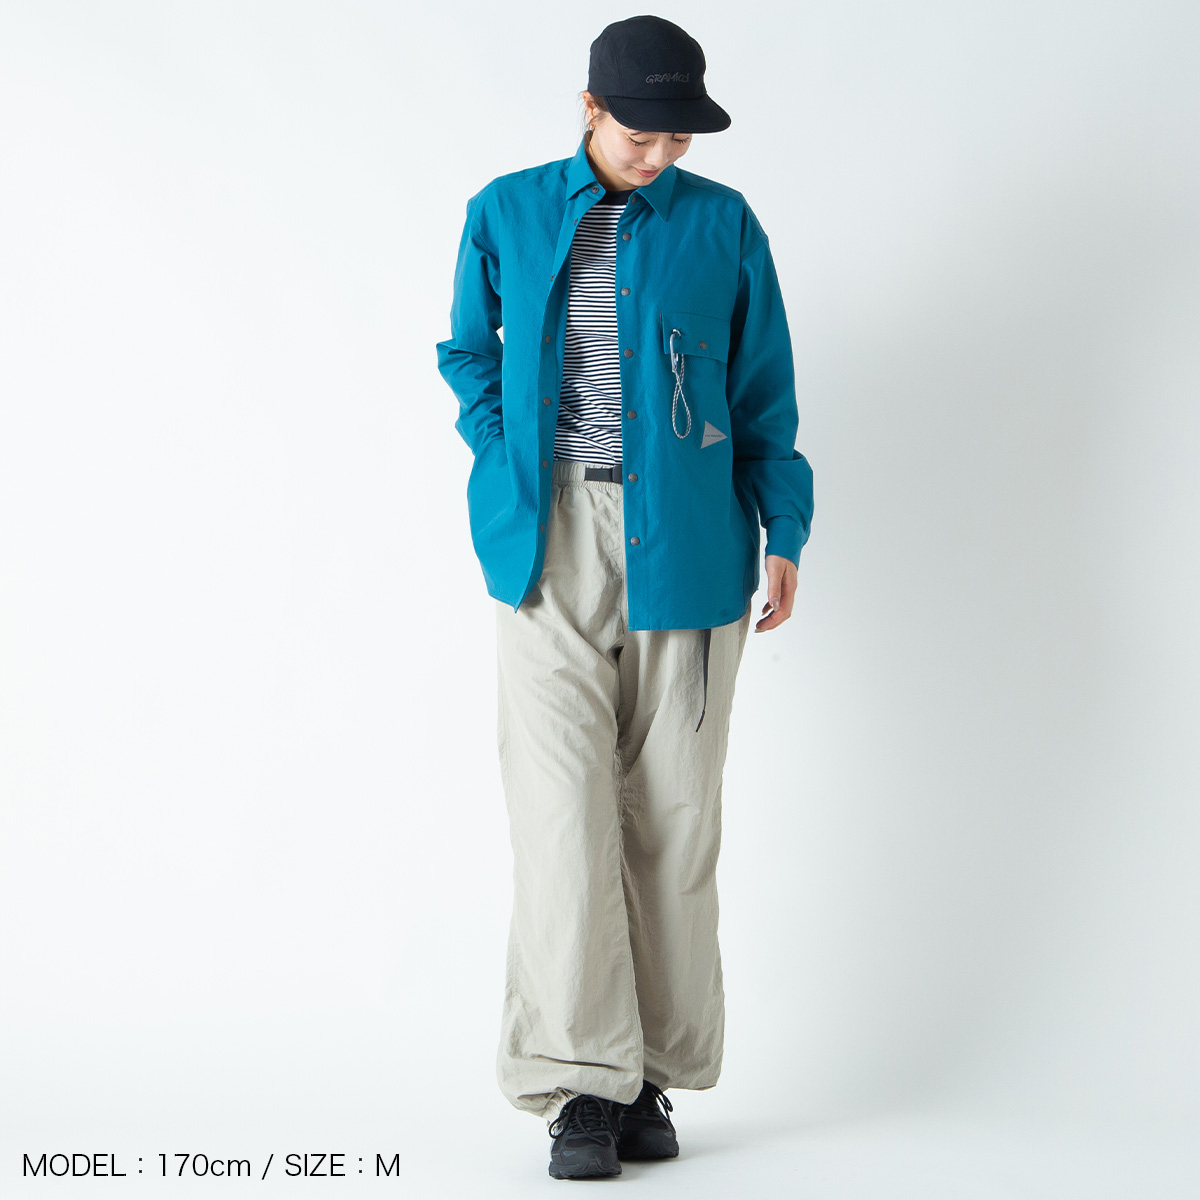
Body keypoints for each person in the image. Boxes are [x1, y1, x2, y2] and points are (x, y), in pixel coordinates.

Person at [435, 14, 814, 1181]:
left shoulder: (723, 225)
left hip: (692, 546)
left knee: (674, 819)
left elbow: (763, 393)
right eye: (642, 134)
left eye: (678, 139)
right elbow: (468, 352)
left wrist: (787, 528)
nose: (661, 156)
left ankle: (649, 1074)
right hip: (544, 547)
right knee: (563, 821)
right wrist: (506, 452)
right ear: (591, 108)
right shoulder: (505, 211)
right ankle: (581, 1086)